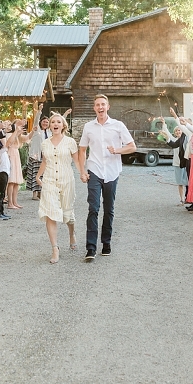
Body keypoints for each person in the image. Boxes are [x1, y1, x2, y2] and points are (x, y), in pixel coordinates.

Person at [77, 94, 136, 262]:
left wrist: (117, 150)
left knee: (109, 209)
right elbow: (82, 150)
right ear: (94, 108)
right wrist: (82, 171)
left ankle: (106, 243)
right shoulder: (89, 127)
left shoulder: (118, 125)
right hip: (94, 171)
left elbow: (132, 147)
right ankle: (90, 248)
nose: (100, 107)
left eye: (103, 104)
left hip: (112, 172)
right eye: (97, 105)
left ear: (108, 106)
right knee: (93, 209)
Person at [36, 113, 80, 263]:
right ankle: (55, 248)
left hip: (67, 180)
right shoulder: (45, 143)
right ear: (50, 125)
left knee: (67, 213)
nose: (55, 124)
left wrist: (83, 173)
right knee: (50, 212)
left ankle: (71, 234)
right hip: (49, 181)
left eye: (58, 122)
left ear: (63, 125)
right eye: (53, 122)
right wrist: (38, 176)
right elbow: (44, 161)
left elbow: (77, 160)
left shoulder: (70, 142)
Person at [6, 119, 31, 209]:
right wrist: (16, 132)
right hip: (10, 155)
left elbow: (26, 138)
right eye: (17, 124)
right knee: (11, 181)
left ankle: (15, 202)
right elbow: (9, 143)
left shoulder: (18, 135)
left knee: (16, 182)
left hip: (16, 156)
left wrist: (33, 131)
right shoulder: (9, 134)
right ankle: (10, 203)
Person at [27, 102, 49, 200]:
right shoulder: (37, 130)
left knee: (43, 175)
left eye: (47, 122)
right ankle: (34, 194)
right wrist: (39, 110)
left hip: (44, 157)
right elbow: (36, 120)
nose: (45, 123)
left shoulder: (49, 132)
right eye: (44, 122)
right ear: (41, 122)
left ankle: (41, 193)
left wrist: (65, 115)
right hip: (36, 155)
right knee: (35, 174)